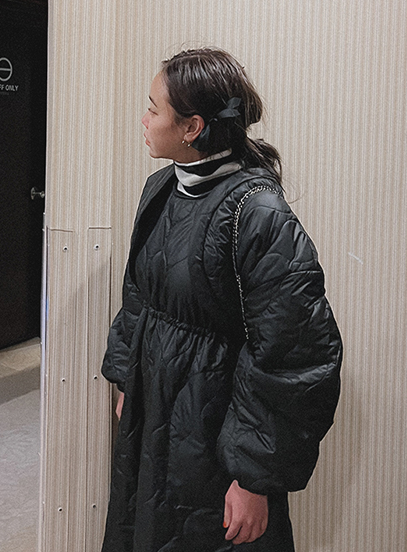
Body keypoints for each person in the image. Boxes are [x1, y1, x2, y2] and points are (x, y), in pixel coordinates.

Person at [101, 48, 342, 552]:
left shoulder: (258, 214)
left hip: (216, 432)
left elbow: (296, 356)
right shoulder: (160, 187)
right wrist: (127, 378)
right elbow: (139, 292)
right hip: (154, 415)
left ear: (192, 128)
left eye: (153, 109)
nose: (143, 119)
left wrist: (255, 477)